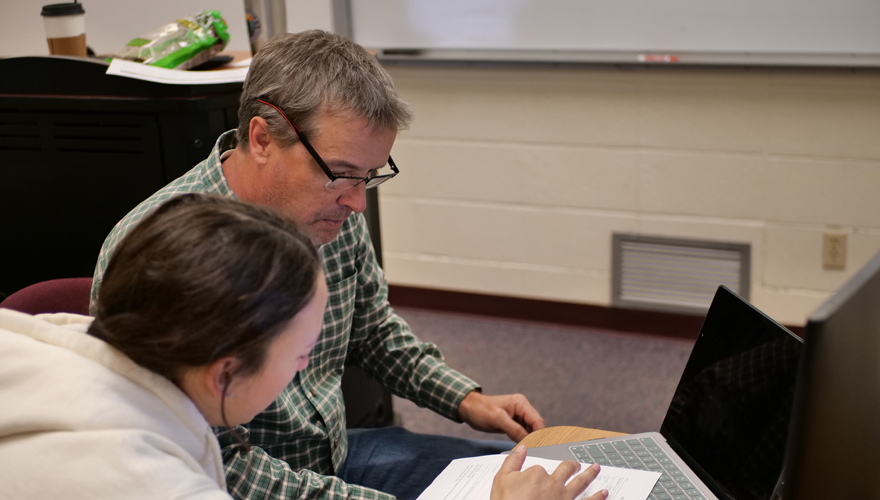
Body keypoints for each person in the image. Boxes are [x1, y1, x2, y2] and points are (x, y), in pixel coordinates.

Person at [90, 30, 548, 500]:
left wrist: (464, 398)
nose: (356, 203)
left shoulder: (327, 209)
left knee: (541, 474)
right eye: (342, 174)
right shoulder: (166, 252)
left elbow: (372, 331)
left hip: (335, 454)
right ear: (262, 138)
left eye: (368, 178)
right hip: (249, 485)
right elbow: (221, 467)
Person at [0, 194, 608, 500]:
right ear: (226, 373)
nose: (310, 367)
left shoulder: (61, 346)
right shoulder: (145, 483)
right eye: (300, 358)